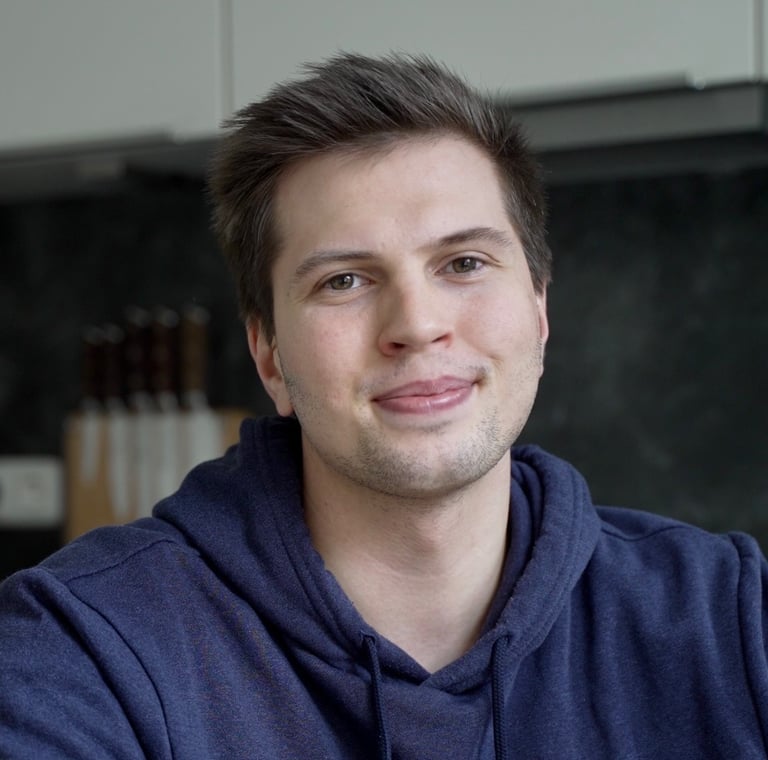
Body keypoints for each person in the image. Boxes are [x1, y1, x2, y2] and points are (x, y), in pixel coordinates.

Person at [1, 52, 767, 760]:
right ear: (268, 354)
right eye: (344, 280)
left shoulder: (732, 620)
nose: (417, 325)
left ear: (539, 308)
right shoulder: (82, 646)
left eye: (464, 262)